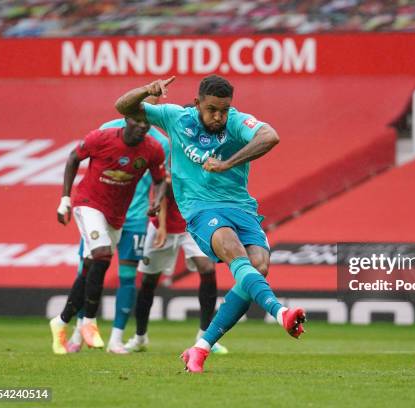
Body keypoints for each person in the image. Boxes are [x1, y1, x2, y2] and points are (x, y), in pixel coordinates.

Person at [116, 74, 306, 373]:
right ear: (197, 104)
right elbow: (123, 107)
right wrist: (146, 90)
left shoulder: (236, 122)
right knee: (237, 255)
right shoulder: (175, 117)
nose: (219, 116)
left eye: (224, 109)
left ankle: (200, 348)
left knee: (258, 269)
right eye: (212, 110)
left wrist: (229, 163)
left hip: (242, 208)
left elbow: (270, 136)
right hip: (201, 209)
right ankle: (281, 312)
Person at [49, 116, 166, 355]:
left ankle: (60, 321)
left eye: (147, 123)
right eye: (138, 121)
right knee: (102, 255)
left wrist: (157, 200)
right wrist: (65, 200)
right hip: (88, 204)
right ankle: (89, 323)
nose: (143, 126)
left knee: (91, 266)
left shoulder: (153, 148)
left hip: (117, 215)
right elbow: (73, 158)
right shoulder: (102, 137)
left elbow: (160, 179)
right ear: (126, 120)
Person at [123, 177, 228, 355]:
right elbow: (162, 192)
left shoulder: (201, 162)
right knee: (149, 281)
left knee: (208, 269)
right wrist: (162, 228)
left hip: (191, 227)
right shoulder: (173, 161)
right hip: (162, 227)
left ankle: (205, 338)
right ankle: (140, 338)